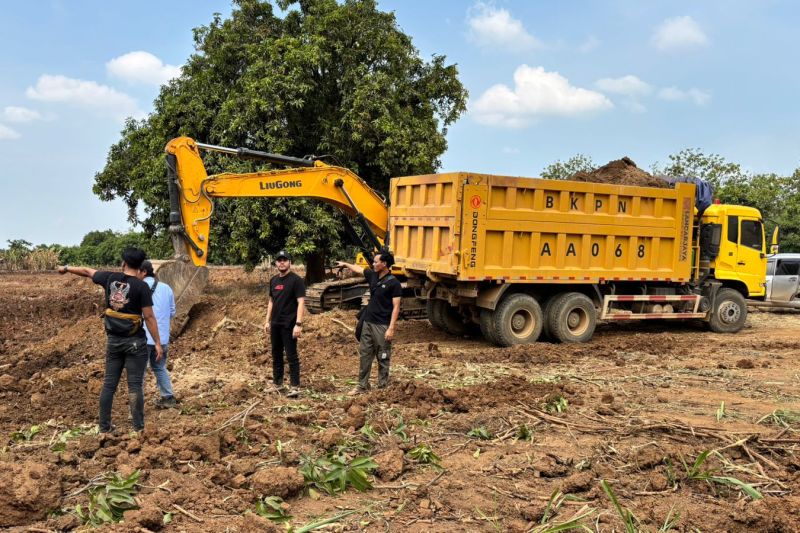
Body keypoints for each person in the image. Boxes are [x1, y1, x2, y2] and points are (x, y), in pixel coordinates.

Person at [58, 248, 162, 433]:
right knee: (135, 385)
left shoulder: (109, 278)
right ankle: (138, 428)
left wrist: (66, 267)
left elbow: (86, 271)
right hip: (135, 343)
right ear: (140, 268)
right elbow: (149, 317)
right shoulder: (142, 286)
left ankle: (104, 427)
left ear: (124, 264)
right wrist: (158, 343)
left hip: (114, 341)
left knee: (109, 385)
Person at [337, 250, 401, 394]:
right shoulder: (373, 275)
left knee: (383, 355)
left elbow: (396, 307)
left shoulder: (394, 283)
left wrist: (391, 328)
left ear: (384, 264)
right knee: (365, 354)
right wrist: (345, 264)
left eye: (375, 262)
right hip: (368, 322)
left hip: (382, 324)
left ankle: (382, 387)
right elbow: (359, 269)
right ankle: (362, 385)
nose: (373, 264)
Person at [136, 260, 178, 409]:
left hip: (143, 338)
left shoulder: (138, 288)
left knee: (138, 374)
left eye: (136, 271)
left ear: (143, 272)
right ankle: (168, 398)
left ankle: (137, 407)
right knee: (160, 367)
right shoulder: (166, 288)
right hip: (163, 338)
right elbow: (173, 311)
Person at [263, 250, 306, 397]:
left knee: (291, 355)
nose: (282, 262)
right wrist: (267, 321)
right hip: (275, 324)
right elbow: (271, 301)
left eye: (285, 260)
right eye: (279, 260)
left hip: (289, 325)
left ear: (290, 262)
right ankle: (278, 384)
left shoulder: (296, 281)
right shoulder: (274, 280)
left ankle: (295, 386)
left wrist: (298, 324)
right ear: (276, 263)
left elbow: (301, 303)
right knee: (276, 354)